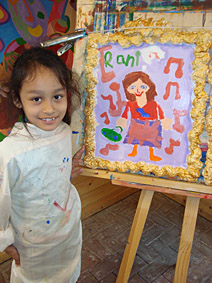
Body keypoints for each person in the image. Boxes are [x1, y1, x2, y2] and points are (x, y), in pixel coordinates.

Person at [0, 47, 84, 283]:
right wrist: (6, 243)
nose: (49, 109)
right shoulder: (10, 151)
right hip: (32, 247)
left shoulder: (65, 131)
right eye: (37, 99)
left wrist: (67, 172)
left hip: (66, 236)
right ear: (17, 99)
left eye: (57, 96)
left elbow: (46, 180)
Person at [117, 71, 172, 161]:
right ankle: (134, 151)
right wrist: (123, 119)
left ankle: (152, 154)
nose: (138, 90)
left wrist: (164, 120)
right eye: (133, 87)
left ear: (149, 87)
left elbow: (160, 112)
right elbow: (125, 113)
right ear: (127, 89)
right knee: (135, 138)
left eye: (142, 86)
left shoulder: (153, 104)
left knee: (151, 140)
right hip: (136, 122)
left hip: (151, 124)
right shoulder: (130, 103)